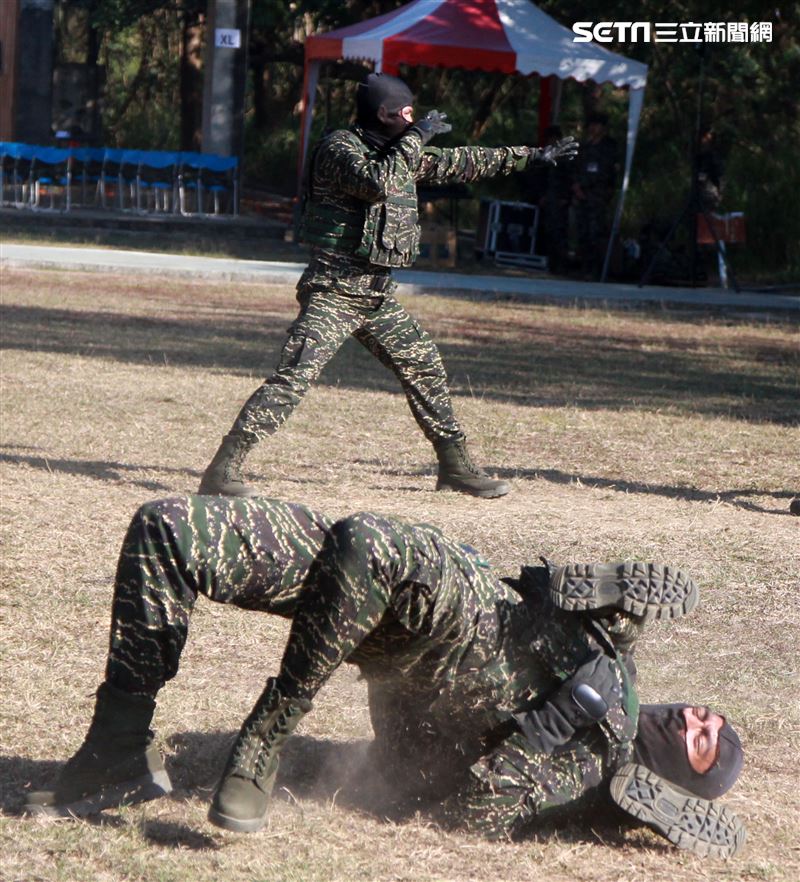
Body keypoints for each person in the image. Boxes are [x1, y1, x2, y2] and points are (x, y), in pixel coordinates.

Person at [24, 496, 744, 858]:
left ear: (678, 781)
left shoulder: (591, 765)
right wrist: (591, 610)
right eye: (706, 713)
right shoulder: (617, 680)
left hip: (451, 633)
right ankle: (116, 750)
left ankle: (269, 731)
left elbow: (471, 819)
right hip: (391, 602)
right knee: (167, 529)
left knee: (373, 541)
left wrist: (546, 730)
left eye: (703, 741)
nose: (695, 718)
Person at [197, 73, 577, 500]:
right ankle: (222, 471)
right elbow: (378, 183)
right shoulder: (339, 149)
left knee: (425, 366)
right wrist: (417, 136)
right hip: (335, 291)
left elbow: (460, 161)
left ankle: (455, 467)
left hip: (376, 296)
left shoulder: (398, 153)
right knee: (293, 378)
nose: (414, 122)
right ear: (383, 113)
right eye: (408, 114)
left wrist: (532, 156)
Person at [572, 113, 620, 279]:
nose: (593, 128)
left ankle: (596, 270)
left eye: (597, 125)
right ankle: (583, 267)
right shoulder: (584, 147)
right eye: (591, 125)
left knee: (596, 233)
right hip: (582, 196)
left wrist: (587, 186)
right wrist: (576, 186)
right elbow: (576, 168)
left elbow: (606, 173)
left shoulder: (608, 148)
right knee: (582, 232)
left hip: (597, 196)